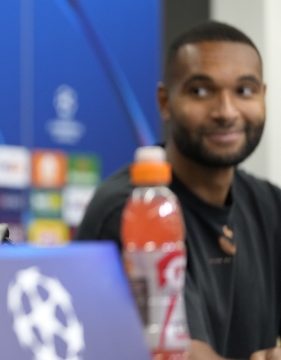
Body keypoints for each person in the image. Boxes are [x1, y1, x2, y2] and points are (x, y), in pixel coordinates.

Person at [76, 21, 281, 360]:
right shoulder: (135, 208)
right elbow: (179, 353)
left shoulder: (270, 205)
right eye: (201, 91)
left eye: (245, 91)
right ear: (165, 101)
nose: (226, 112)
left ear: (263, 96)